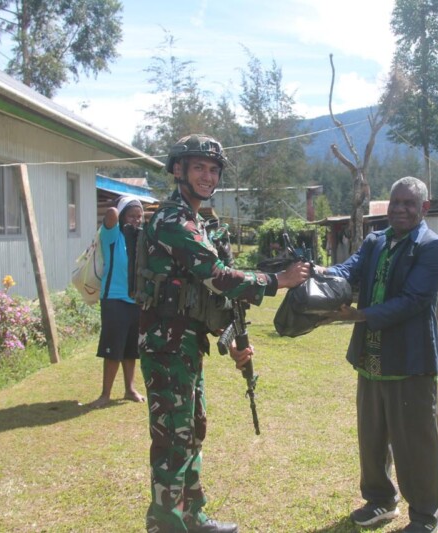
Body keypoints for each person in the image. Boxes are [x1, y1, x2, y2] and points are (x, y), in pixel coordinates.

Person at [138, 134, 310, 533]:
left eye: (213, 169)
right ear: (178, 170)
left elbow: (208, 298)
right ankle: (166, 525)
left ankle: (192, 517)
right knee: (171, 442)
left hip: (186, 345)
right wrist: (276, 280)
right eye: (199, 167)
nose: (207, 175)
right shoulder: (171, 221)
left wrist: (233, 341)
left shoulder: (201, 222)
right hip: (166, 348)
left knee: (192, 431)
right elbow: (216, 278)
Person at [321, 177, 438, 533]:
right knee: (372, 435)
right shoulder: (377, 240)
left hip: (410, 360)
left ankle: (425, 516)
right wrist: (323, 274)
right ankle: (380, 500)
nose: (400, 209)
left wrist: (360, 315)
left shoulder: (432, 246)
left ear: (424, 208)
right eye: (395, 202)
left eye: (409, 203)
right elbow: (350, 268)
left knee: (416, 442)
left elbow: (414, 300)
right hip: (372, 357)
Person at [86, 195, 146, 409]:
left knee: (131, 349)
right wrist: (121, 211)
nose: (137, 220)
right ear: (122, 217)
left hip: (135, 300)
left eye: (140, 216)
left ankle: (130, 389)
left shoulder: (139, 239)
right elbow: (110, 215)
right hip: (114, 300)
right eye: (132, 216)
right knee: (113, 348)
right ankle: (105, 394)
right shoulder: (113, 236)